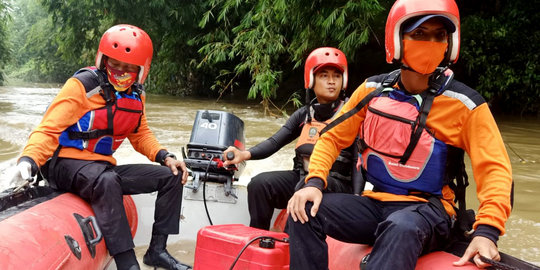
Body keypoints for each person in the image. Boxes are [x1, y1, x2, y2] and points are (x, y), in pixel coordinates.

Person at [286, 0, 513, 269]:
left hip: (431, 211)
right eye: (419, 34)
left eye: (439, 35)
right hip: (377, 203)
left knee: (401, 226)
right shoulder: (372, 89)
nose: (430, 42)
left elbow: (496, 170)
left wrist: (487, 231)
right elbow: (332, 137)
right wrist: (314, 182)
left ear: (449, 43)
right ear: (396, 40)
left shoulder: (465, 104)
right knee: (303, 210)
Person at [11, 24, 191, 270]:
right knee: (107, 181)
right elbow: (48, 128)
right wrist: (29, 159)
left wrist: (165, 156)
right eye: (114, 63)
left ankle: (157, 251)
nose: (120, 71)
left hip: (100, 167)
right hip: (64, 165)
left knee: (172, 176)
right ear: (102, 59)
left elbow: (140, 134)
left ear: (141, 70)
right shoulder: (82, 85)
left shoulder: (137, 95)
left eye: (129, 67)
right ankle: (127, 263)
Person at [223, 47, 354, 230]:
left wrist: (357, 199)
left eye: (337, 76)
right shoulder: (304, 115)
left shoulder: (352, 116)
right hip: (302, 178)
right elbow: (275, 142)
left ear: (344, 80)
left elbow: (361, 162)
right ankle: (257, 239)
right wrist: (244, 154)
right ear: (311, 80)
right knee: (260, 184)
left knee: (304, 186)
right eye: (324, 76)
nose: (331, 82)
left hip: (336, 185)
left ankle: (291, 243)